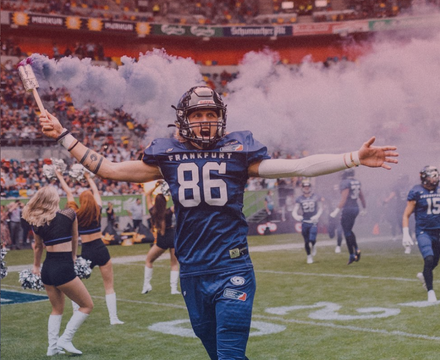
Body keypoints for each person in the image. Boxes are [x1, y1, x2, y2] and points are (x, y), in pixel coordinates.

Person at [40, 85, 398, 360]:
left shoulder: (238, 150)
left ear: (221, 116)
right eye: (197, 115)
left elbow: (298, 166)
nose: (204, 120)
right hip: (193, 271)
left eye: (210, 113)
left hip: (232, 266)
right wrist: (63, 134)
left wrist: (353, 157)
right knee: (216, 352)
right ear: (183, 119)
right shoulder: (167, 154)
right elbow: (109, 169)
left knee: (228, 355)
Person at [21, 185, 93, 356]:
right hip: (63, 266)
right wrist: (74, 257)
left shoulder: (37, 222)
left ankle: (52, 347)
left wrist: (36, 266)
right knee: (87, 305)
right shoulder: (69, 215)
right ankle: (65, 339)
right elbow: (76, 238)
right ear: (54, 199)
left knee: (56, 309)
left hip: (48, 268)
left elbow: (38, 247)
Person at [55, 169, 124, 325]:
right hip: (101, 249)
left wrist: (59, 176)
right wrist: (88, 177)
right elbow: (96, 192)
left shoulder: (76, 213)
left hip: (87, 251)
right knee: (109, 286)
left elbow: (68, 193)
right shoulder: (98, 210)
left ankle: (75, 312)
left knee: (75, 284)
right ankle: (113, 318)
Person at [402, 165, 440, 303]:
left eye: (436, 175)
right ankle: (430, 292)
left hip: (439, 231)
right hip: (424, 231)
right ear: (424, 177)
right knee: (429, 259)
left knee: (435, 261)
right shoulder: (417, 191)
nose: (435, 178)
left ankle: (424, 275)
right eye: (432, 175)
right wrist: (406, 233)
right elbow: (406, 214)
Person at [142, 181, 180, 295]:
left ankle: (146, 285)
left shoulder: (153, 211)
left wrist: (155, 186)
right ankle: (173, 289)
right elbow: (177, 202)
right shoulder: (168, 211)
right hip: (172, 236)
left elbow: (147, 195)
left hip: (161, 239)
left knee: (149, 260)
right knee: (174, 263)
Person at [330, 168, 366, 265]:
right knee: (349, 230)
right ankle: (356, 249)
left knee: (346, 232)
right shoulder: (356, 182)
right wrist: (364, 208)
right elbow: (361, 196)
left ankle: (352, 255)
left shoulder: (345, 182)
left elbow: (344, 198)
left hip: (348, 209)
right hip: (355, 208)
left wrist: (336, 210)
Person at [292, 179, 323, 264]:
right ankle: (309, 256)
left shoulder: (316, 197)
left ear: (310, 187)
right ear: (302, 188)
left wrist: (317, 216)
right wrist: (296, 216)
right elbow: (295, 210)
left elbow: (321, 208)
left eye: (308, 186)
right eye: (305, 186)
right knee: (306, 240)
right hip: (305, 221)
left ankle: (313, 245)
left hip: (313, 221)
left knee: (312, 238)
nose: (306, 188)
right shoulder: (299, 198)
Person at [383, 174, 411, 253]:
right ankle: (407, 242)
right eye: (400, 180)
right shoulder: (397, 187)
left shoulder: (410, 187)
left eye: (402, 180)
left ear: (406, 180)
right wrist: (386, 200)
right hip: (400, 209)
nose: (400, 182)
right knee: (402, 226)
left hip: (409, 208)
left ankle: (409, 243)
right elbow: (392, 194)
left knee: (410, 226)